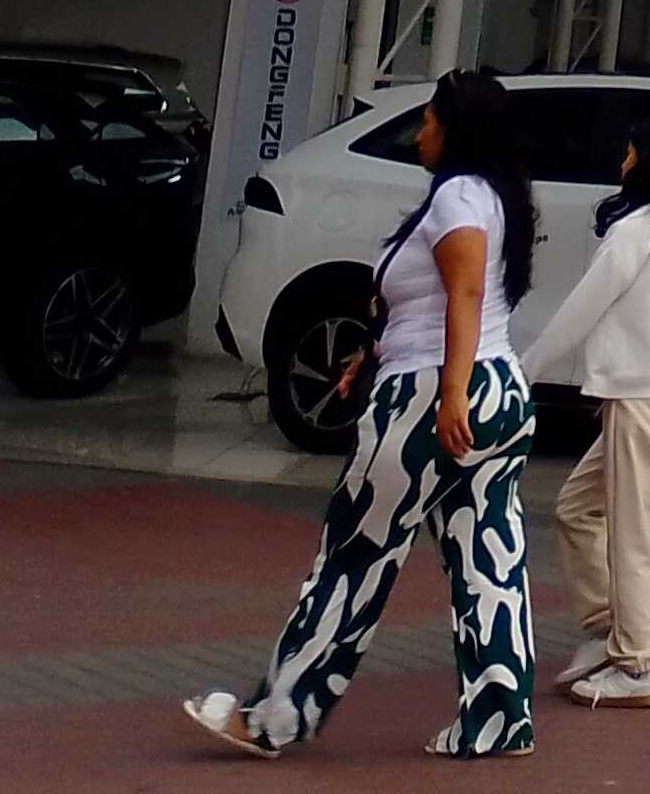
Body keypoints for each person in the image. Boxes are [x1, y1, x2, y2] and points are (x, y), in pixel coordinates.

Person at [184, 67, 542, 758]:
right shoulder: (498, 197)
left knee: (354, 556)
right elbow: (447, 300)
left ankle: (273, 717)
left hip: (430, 400)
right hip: (500, 392)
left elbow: (464, 294)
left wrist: (449, 393)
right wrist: (378, 350)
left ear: (456, 130)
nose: (422, 132)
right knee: (487, 559)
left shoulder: (457, 197)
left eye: (430, 119)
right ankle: (501, 718)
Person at [521, 107, 650, 705]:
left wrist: (522, 370)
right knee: (577, 509)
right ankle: (606, 631)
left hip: (638, 399)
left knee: (629, 534)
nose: (622, 160)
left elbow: (581, 310)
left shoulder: (638, 232)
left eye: (632, 151)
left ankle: (635, 665)